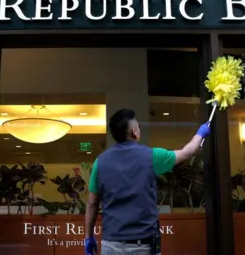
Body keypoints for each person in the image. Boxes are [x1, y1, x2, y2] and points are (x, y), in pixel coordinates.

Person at [84, 109, 211, 255]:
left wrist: (88, 237)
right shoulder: (151, 157)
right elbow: (186, 153)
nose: (139, 129)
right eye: (138, 127)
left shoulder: (100, 163)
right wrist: (200, 134)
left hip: (111, 244)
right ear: (134, 132)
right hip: (143, 245)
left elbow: (92, 203)